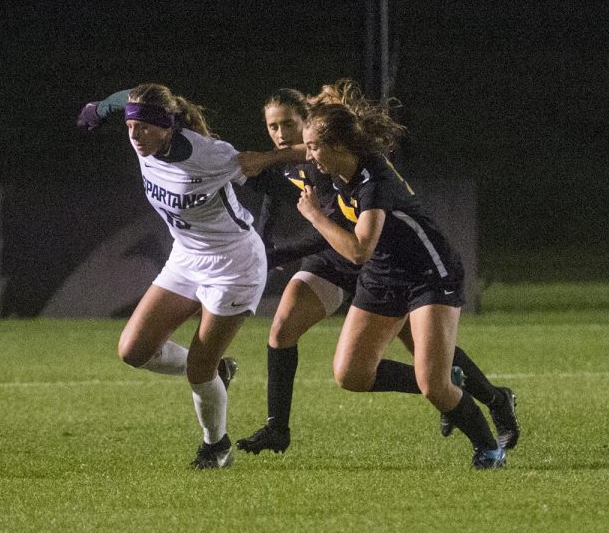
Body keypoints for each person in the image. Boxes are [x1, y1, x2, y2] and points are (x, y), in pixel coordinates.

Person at [235, 85, 519, 456]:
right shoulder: (333, 162)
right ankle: (453, 386)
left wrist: (312, 216)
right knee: (351, 374)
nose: (306, 154)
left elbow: (356, 250)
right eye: (273, 127)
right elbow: (297, 163)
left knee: (431, 377)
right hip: (382, 273)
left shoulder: (372, 177)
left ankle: (487, 444)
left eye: (312, 146)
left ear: (335, 143)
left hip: (427, 272)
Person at [76, 83, 268, 469]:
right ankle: (218, 371)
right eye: (131, 127)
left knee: (199, 369)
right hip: (186, 257)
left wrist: (304, 151)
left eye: (144, 128)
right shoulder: (141, 135)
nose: (135, 135)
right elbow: (128, 100)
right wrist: (99, 108)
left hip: (233, 265)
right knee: (133, 351)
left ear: (167, 127)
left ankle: (217, 446)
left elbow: (262, 164)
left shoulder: (209, 154)